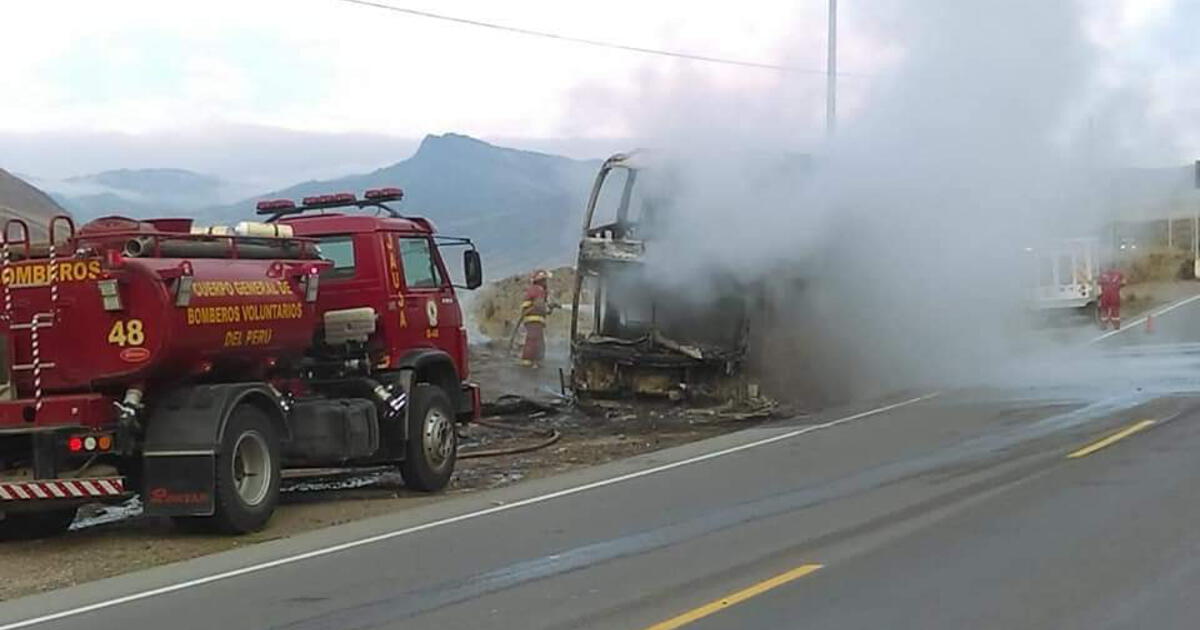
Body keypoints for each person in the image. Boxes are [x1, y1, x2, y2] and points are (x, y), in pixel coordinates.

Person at [518, 269, 552, 368]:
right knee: (533, 341)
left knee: (538, 342)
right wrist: (548, 308)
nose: (546, 283)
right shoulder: (539, 289)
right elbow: (539, 305)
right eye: (545, 280)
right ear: (541, 281)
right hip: (534, 319)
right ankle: (527, 364)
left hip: (533, 319)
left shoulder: (534, 289)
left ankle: (536, 362)